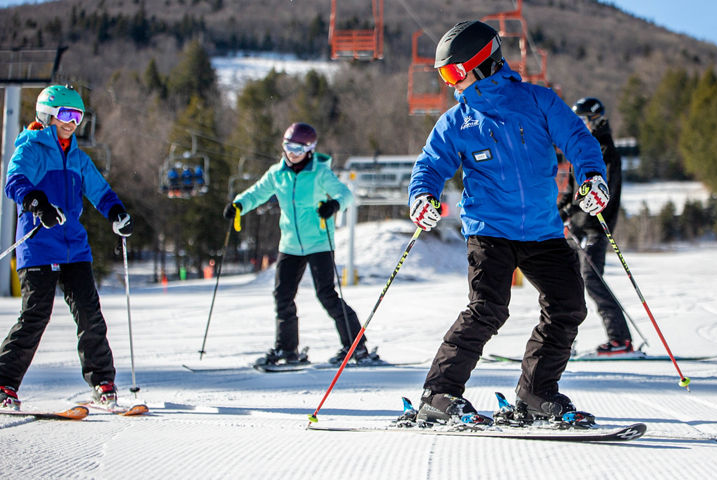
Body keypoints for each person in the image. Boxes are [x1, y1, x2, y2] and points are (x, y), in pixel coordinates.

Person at [407, 21, 610, 425]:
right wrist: (421, 196)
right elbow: (429, 165)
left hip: (541, 229)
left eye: (453, 73)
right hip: (489, 229)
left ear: (480, 65)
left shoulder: (538, 101)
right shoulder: (458, 120)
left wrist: (592, 176)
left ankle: (536, 392)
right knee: (488, 308)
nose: (450, 84)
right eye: (444, 75)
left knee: (568, 304)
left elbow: (579, 140)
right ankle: (440, 394)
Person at [0, 85, 134, 411]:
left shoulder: (78, 157)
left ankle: (103, 383)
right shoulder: (31, 149)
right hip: (38, 246)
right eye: (66, 115)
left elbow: (100, 191)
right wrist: (37, 203)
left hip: (74, 247)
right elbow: (15, 181)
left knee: (90, 316)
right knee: (35, 316)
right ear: (47, 115)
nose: (72, 123)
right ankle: (4, 383)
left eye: (78, 117)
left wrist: (116, 212)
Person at [223, 122, 380, 366]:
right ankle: (287, 350)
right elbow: (257, 192)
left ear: (310, 149)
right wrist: (239, 205)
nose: (292, 152)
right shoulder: (277, 173)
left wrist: (334, 205)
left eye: (298, 147)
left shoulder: (319, 172)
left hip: (319, 242)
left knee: (326, 294)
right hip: (290, 244)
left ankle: (356, 346)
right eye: (288, 146)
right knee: (282, 296)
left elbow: (345, 193)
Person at [557, 97, 633, 356]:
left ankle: (620, 339)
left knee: (593, 281)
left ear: (596, 119)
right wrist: (559, 212)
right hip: (575, 228)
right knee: (565, 284)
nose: (581, 125)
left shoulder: (606, 151)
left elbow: (605, 192)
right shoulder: (579, 148)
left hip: (594, 228)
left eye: (584, 120)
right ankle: (561, 341)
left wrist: (576, 209)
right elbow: (570, 189)